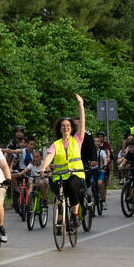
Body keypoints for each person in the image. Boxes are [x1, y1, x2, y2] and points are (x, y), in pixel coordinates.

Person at [40, 94, 87, 223]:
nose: (65, 127)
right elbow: (50, 156)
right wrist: (44, 167)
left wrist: (80, 105)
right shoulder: (56, 144)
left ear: (71, 128)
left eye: (68, 126)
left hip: (76, 173)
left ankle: (75, 216)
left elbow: (82, 122)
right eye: (63, 126)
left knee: (72, 188)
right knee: (57, 191)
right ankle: (60, 211)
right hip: (60, 175)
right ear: (60, 129)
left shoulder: (77, 139)